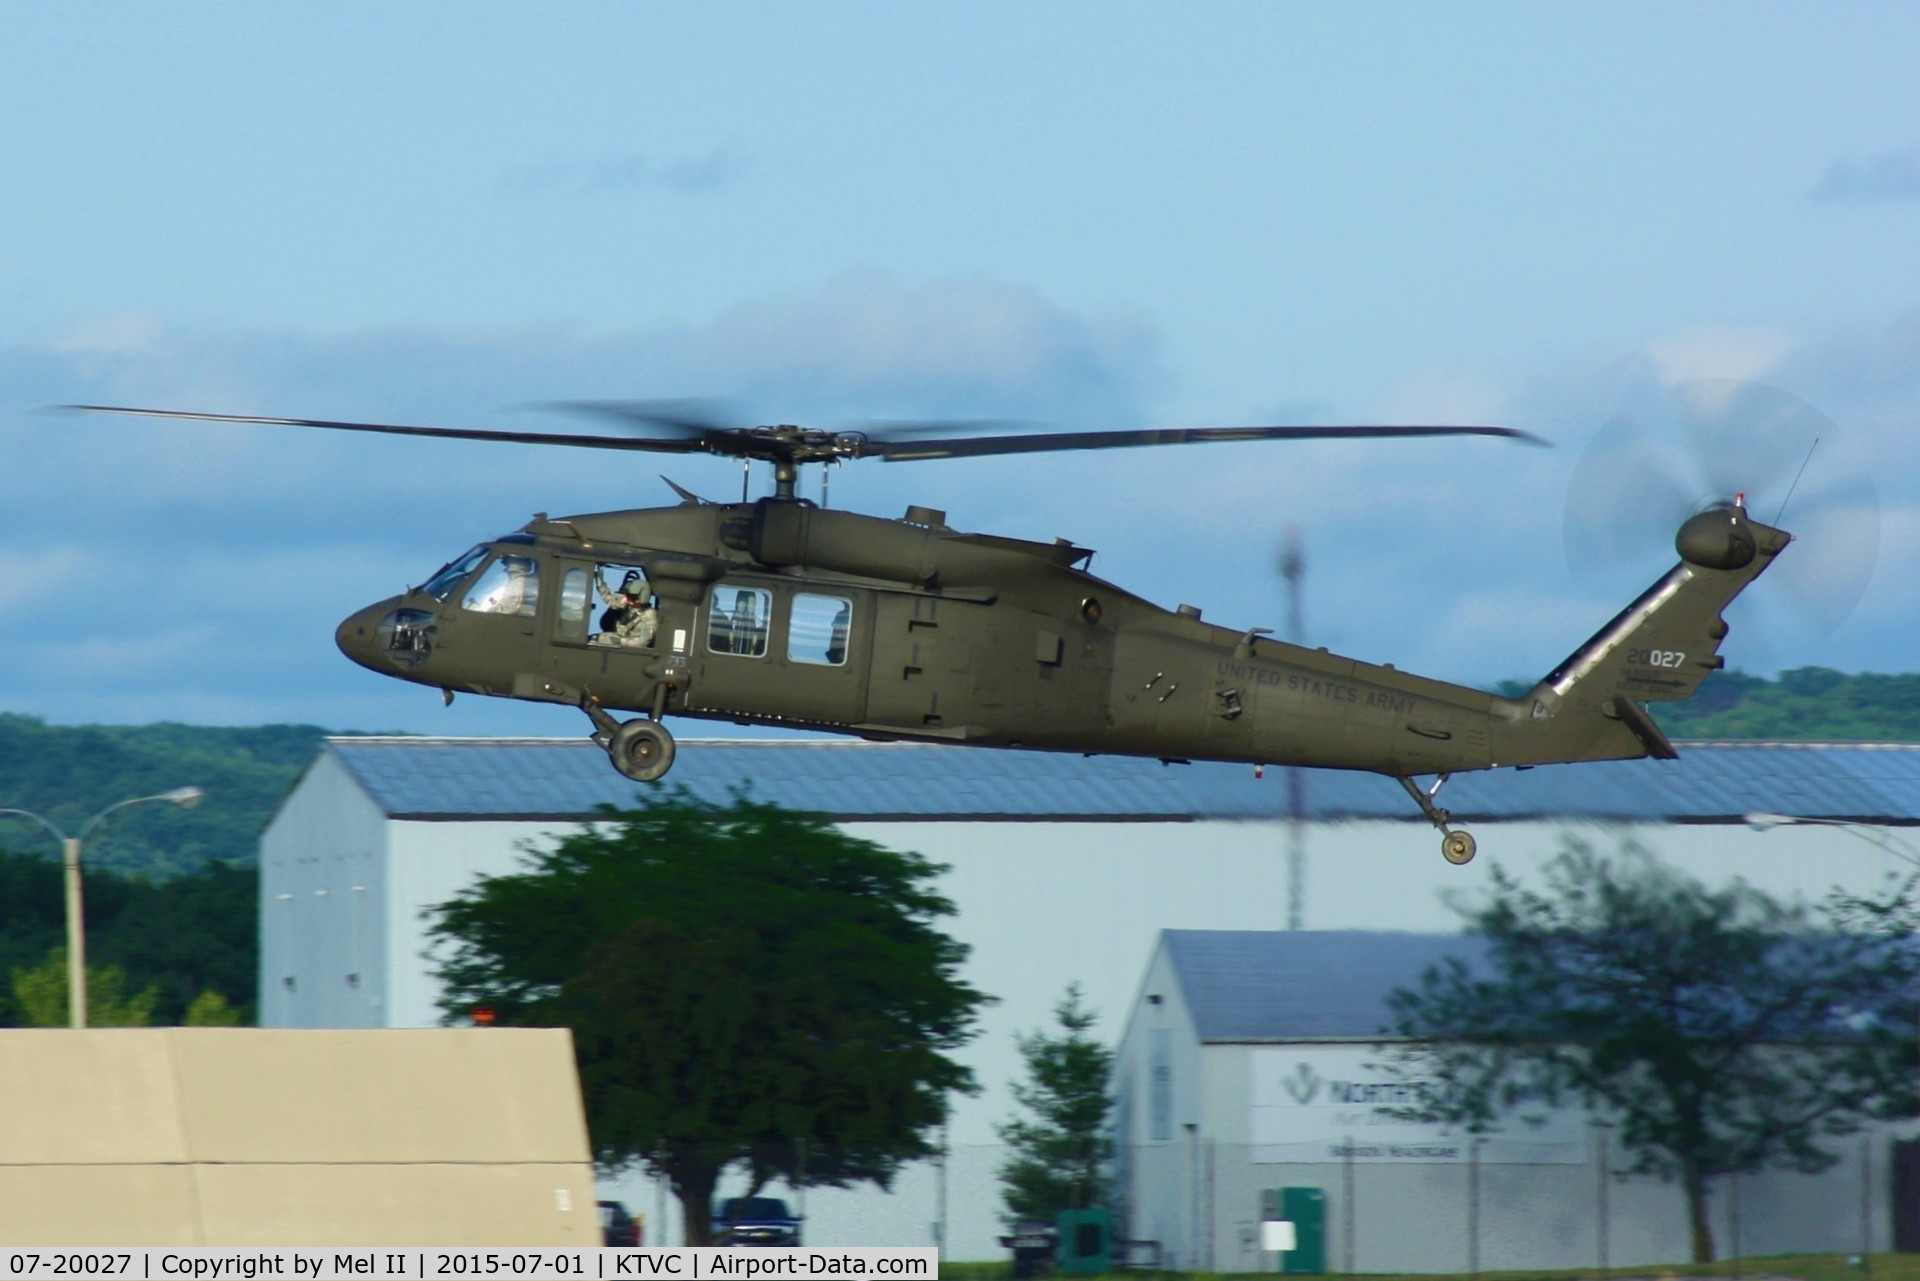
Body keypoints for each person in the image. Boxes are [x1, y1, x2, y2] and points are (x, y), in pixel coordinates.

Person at [593, 568, 658, 647]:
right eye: (628, 596)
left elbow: (643, 641)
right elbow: (610, 599)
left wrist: (621, 641)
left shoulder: (649, 616)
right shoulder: (629, 604)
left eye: (633, 598)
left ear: (643, 597)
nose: (629, 600)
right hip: (619, 638)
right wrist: (600, 583)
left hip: (629, 649)